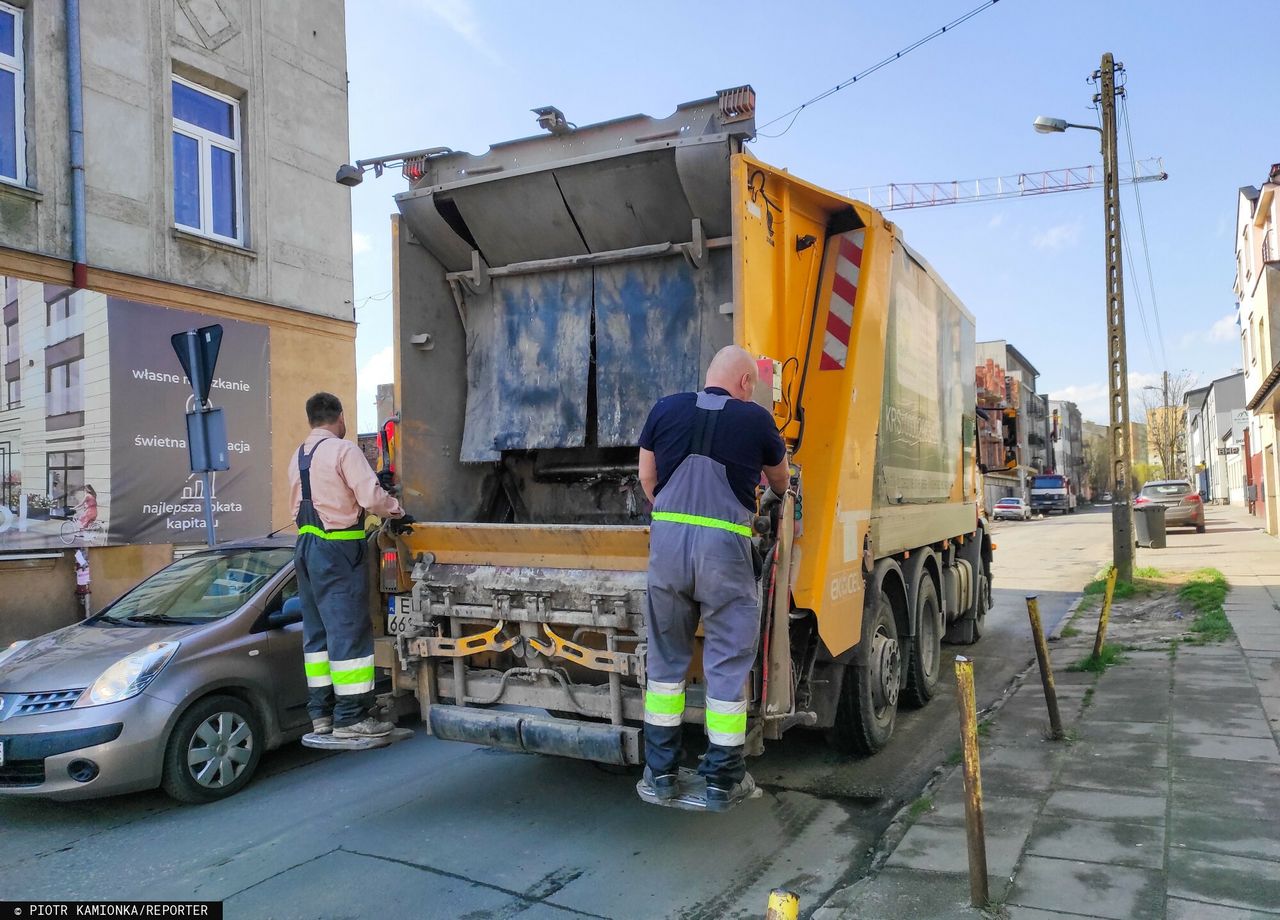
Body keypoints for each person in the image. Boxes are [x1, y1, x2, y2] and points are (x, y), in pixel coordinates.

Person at [637, 345, 789, 809]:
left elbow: (647, 478)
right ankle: (722, 782)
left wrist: (676, 516)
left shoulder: (664, 409)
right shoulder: (756, 420)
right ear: (745, 382)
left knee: (665, 665)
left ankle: (661, 775)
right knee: (726, 666)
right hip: (725, 557)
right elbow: (781, 482)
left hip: (667, 551)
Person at [288, 392, 413, 740]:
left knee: (317, 634)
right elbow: (371, 498)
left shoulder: (298, 456)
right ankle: (351, 717)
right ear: (340, 417)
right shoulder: (344, 450)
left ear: (310, 419)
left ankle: (322, 714)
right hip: (338, 550)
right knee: (349, 630)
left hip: (306, 547)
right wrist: (397, 511)